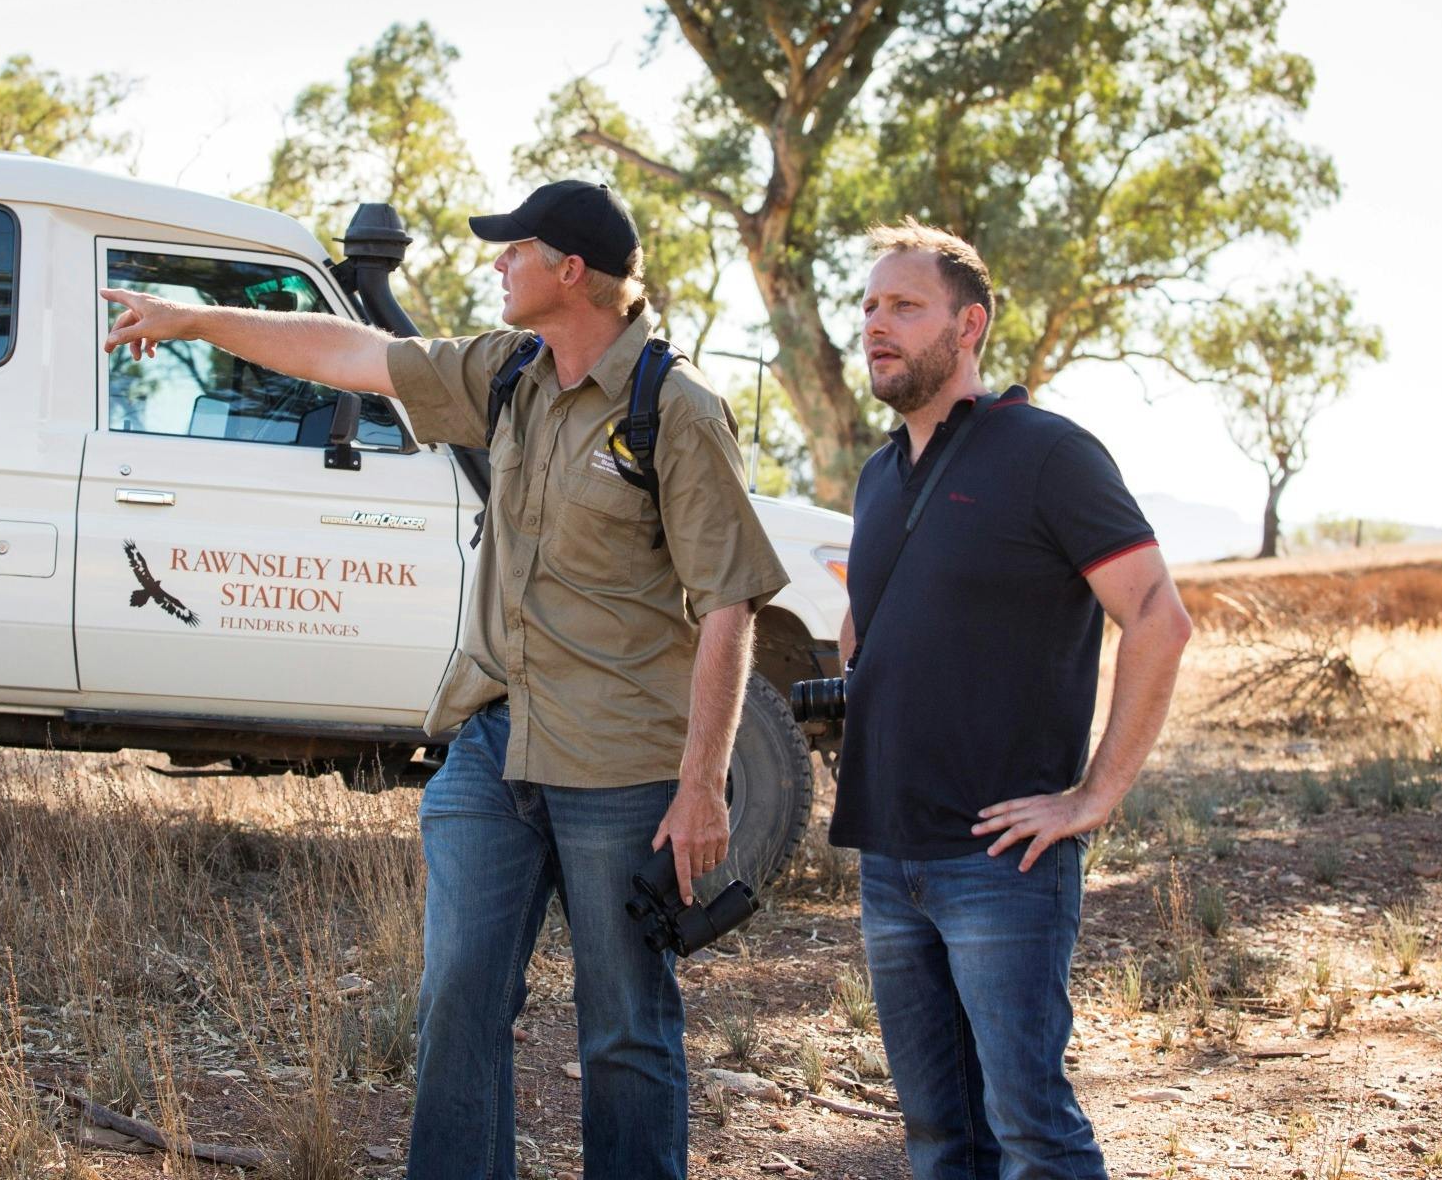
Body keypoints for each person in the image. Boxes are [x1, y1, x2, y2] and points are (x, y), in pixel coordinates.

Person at [102, 180, 788, 1180]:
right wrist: (194, 317)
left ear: (571, 270)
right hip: (491, 744)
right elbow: (349, 354)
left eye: (514, 248)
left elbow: (730, 602)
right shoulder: (507, 370)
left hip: (621, 766)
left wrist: (701, 782)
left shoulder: (675, 410)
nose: (494, 262)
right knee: (457, 996)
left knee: (625, 1028)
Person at [830, 219, 1192, 1180]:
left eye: (906, 306)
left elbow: (1159, 616)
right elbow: (869, 629)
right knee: (939, 1137)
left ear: (970, 325)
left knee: (1032, 1130)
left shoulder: (1047, 453)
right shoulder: (876, 478)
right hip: (888, 854)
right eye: (869, 306)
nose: (878, 324)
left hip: (1001, 857)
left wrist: (1093, 798)